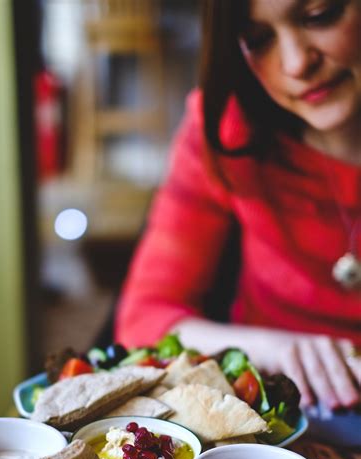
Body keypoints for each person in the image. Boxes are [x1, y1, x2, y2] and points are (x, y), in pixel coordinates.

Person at [114, 0, 361, 412]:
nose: (297, 63)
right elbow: (143, 320)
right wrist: (269, 347)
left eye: (320, 15)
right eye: (258, 39)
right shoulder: (226, 128)